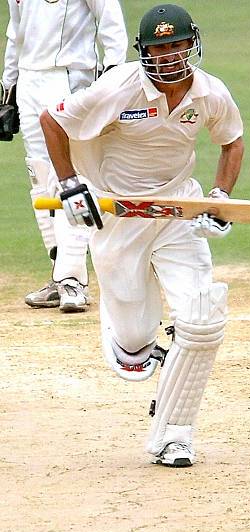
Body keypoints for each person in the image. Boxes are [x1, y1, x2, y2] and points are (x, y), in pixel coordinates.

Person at [39, 3, 245, 467]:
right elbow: (52, 120)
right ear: (143, 51)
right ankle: (133, 339)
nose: (168, 56)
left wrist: (219, 197)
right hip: (120, 215)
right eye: (158, 47)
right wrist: (72, 185)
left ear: (192, 44)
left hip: (177, 209)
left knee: (202, 319)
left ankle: (175, 434)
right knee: (133, 352)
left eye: (175, 45)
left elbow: (232, 140)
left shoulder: (210, 93)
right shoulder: (119, 86)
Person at [1, 0, 128, 312]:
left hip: (71, 75)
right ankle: (60, 274)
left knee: (69, 174)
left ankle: (73, 281)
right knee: (41, 174)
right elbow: (15, 31)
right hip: (29, 79)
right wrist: (8, 87)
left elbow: (111, 22)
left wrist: (112, 75)